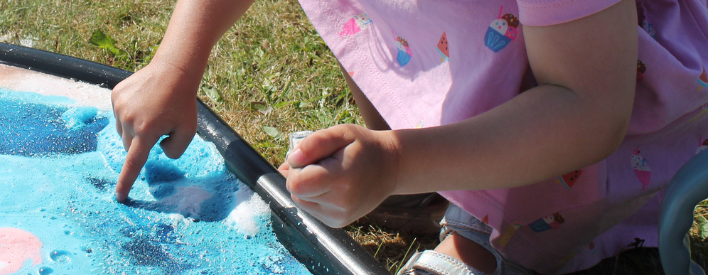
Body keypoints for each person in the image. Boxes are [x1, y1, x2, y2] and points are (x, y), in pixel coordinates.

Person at [110, 0, 708, 273]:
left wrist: (397, 162)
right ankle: (430, 170)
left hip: (603, 87)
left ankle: (483, 232)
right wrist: (176, 65)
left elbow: (588, 107)